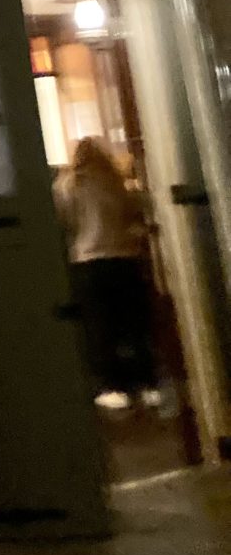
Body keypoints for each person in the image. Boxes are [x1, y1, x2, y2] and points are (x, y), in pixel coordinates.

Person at [54, 136, 161, 411]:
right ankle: (146, 382)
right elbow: (138, 213)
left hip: (88, 261)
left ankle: (111, 386)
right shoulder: (116, 184)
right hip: (124, 258)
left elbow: (63, 221)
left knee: (99, 327)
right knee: (133, 324)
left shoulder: (68, 186)